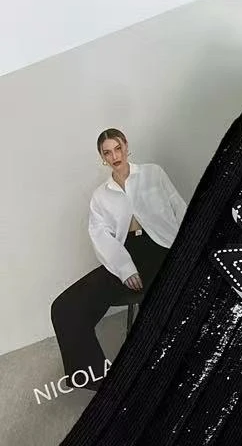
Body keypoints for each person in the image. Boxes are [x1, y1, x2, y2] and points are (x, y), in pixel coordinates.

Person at [50, 129, 186, 389]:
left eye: (117, 148)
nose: (114, 156)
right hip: (125, 255)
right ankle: (96, 380)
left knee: (162, 305)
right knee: (65, 307)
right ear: (102, 158)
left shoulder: (153, 173)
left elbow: (179, 208)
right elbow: (100, 236)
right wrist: (125, 268)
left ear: (126, 146)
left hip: (163, 247)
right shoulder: (101, 196)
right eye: (107, 152)